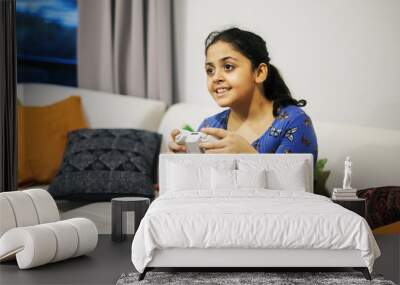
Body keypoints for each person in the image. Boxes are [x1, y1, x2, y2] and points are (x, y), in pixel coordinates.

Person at [168, 27, 318, 164]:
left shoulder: (294, 122)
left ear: (259, 73)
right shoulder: (210, 126)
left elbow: (294, 189)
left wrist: (248, 156)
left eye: (228, 67)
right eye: (210, 70)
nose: (216, 77)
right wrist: (182, 161)